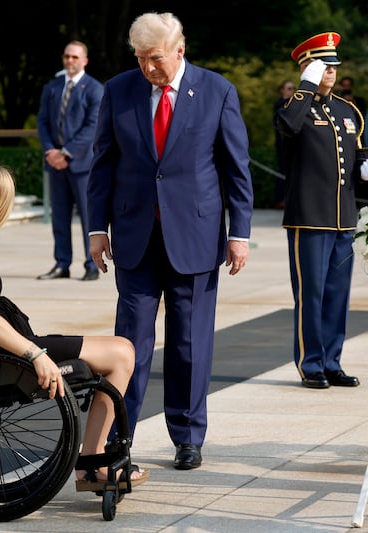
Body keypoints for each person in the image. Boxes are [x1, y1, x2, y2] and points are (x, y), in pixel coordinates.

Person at [0, 161, 147, 489]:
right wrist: (35, 353)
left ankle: (92, 461)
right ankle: (92, 464)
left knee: (122, 349)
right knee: (122, 355)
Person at [87, 12, 254, 470]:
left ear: (179, 50)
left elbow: (235, 168)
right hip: (135, 237)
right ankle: (121, 434)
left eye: (155, 59)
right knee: (129, 345)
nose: (147, 69)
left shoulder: (216, 91)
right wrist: (97, 229)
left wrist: (239, 234)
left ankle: (187, 435)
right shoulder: (119, 90)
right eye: (140, 59)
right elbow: (102, 163)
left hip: (197, 238)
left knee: (190, 343)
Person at [275, 32, 368, 390]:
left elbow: (354, 154)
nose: (331, 72)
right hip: (309, 217)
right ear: (306, 68)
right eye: (322, 66)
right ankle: (311, 363)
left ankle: (333, 360)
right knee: (312, 294)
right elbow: (288, 126)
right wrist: (305, 86)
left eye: (333, 65)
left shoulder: (346, 110)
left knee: (337, 293)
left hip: (343, 218)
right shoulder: (296, 108)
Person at [36, 41, 103, 281]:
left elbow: (92, 127)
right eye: (66, 56)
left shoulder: (94, 89)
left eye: (75, 57)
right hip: (55, 164)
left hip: (82, 165)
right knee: (60, 217)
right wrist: (50, 152)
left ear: (84, 60)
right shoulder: (52, 88)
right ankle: (61, 264)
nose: (70, 61)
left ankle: (91, 264)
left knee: (88, 217)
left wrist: (65, 153)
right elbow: (42, 122)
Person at [273, 79, 295, 209]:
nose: (291, 91)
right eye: (288, 88)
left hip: (292, 144)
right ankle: (281, 199)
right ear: (282, 90)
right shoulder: (281, 104)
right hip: (283, 144)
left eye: (293, 89)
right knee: (283, 171)